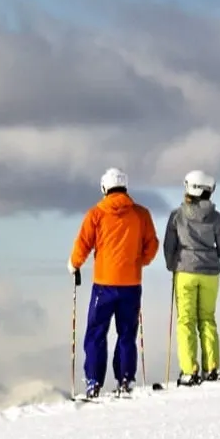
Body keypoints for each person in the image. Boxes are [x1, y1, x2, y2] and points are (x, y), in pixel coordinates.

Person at [69, 167, 159, 397]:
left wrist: (74, 264)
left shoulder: (96, 214)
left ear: (104, 188)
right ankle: (126, 379)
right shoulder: (141, 214)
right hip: (131, 283)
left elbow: (83, 244)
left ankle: (93, 381)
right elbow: (152, 245)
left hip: (104, 284)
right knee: (127, 333)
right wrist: (139, 262)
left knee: (97, 332)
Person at [161, 169, 220, 385]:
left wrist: (173, 265)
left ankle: (189, 371)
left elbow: (169, 246)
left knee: (186, 321)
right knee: (207, 318)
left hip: (185, 272)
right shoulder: (216, 218)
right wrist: (211, 257)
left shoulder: (177, 216)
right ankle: (212, 367)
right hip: (210, 273)